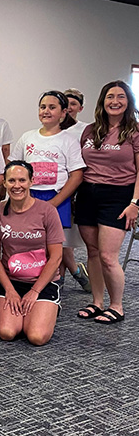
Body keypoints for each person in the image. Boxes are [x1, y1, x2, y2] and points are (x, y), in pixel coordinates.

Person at [10, 91, 87, 292]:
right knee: (28, 241)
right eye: (43, 107)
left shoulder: (68, 140)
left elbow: (77, 175)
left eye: (52, 107)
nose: (46, 111)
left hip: (57, 198)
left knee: (55, 246)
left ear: (63, 113)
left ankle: (53, 286)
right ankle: (26, 280)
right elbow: (13, 166)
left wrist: (54, 203)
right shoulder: (27, 137)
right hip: (28, 197)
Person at [76, 81, 139, 324]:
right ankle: (97, 301)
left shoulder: (134, 132)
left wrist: (135, 203)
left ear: (128, 101)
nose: (115, 101)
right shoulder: (91, 131)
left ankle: (117, 305)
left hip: (119, 196)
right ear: (102, 101)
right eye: (110, 96)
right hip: (88, 194)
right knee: (92, 252)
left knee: (108, 256)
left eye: (121, 97)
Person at [0, 161, 64, 345]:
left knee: (36, 336)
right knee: (7, 332)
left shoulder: (47, 211)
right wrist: (9, 290)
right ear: (4, 183)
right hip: (11, 281)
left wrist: (35, 291)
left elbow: (56, 257)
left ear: (31, 181)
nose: (17, 186)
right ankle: (27, 312)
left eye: (22, 180)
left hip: (42, 282)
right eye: (11, 180)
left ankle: (48, 307)